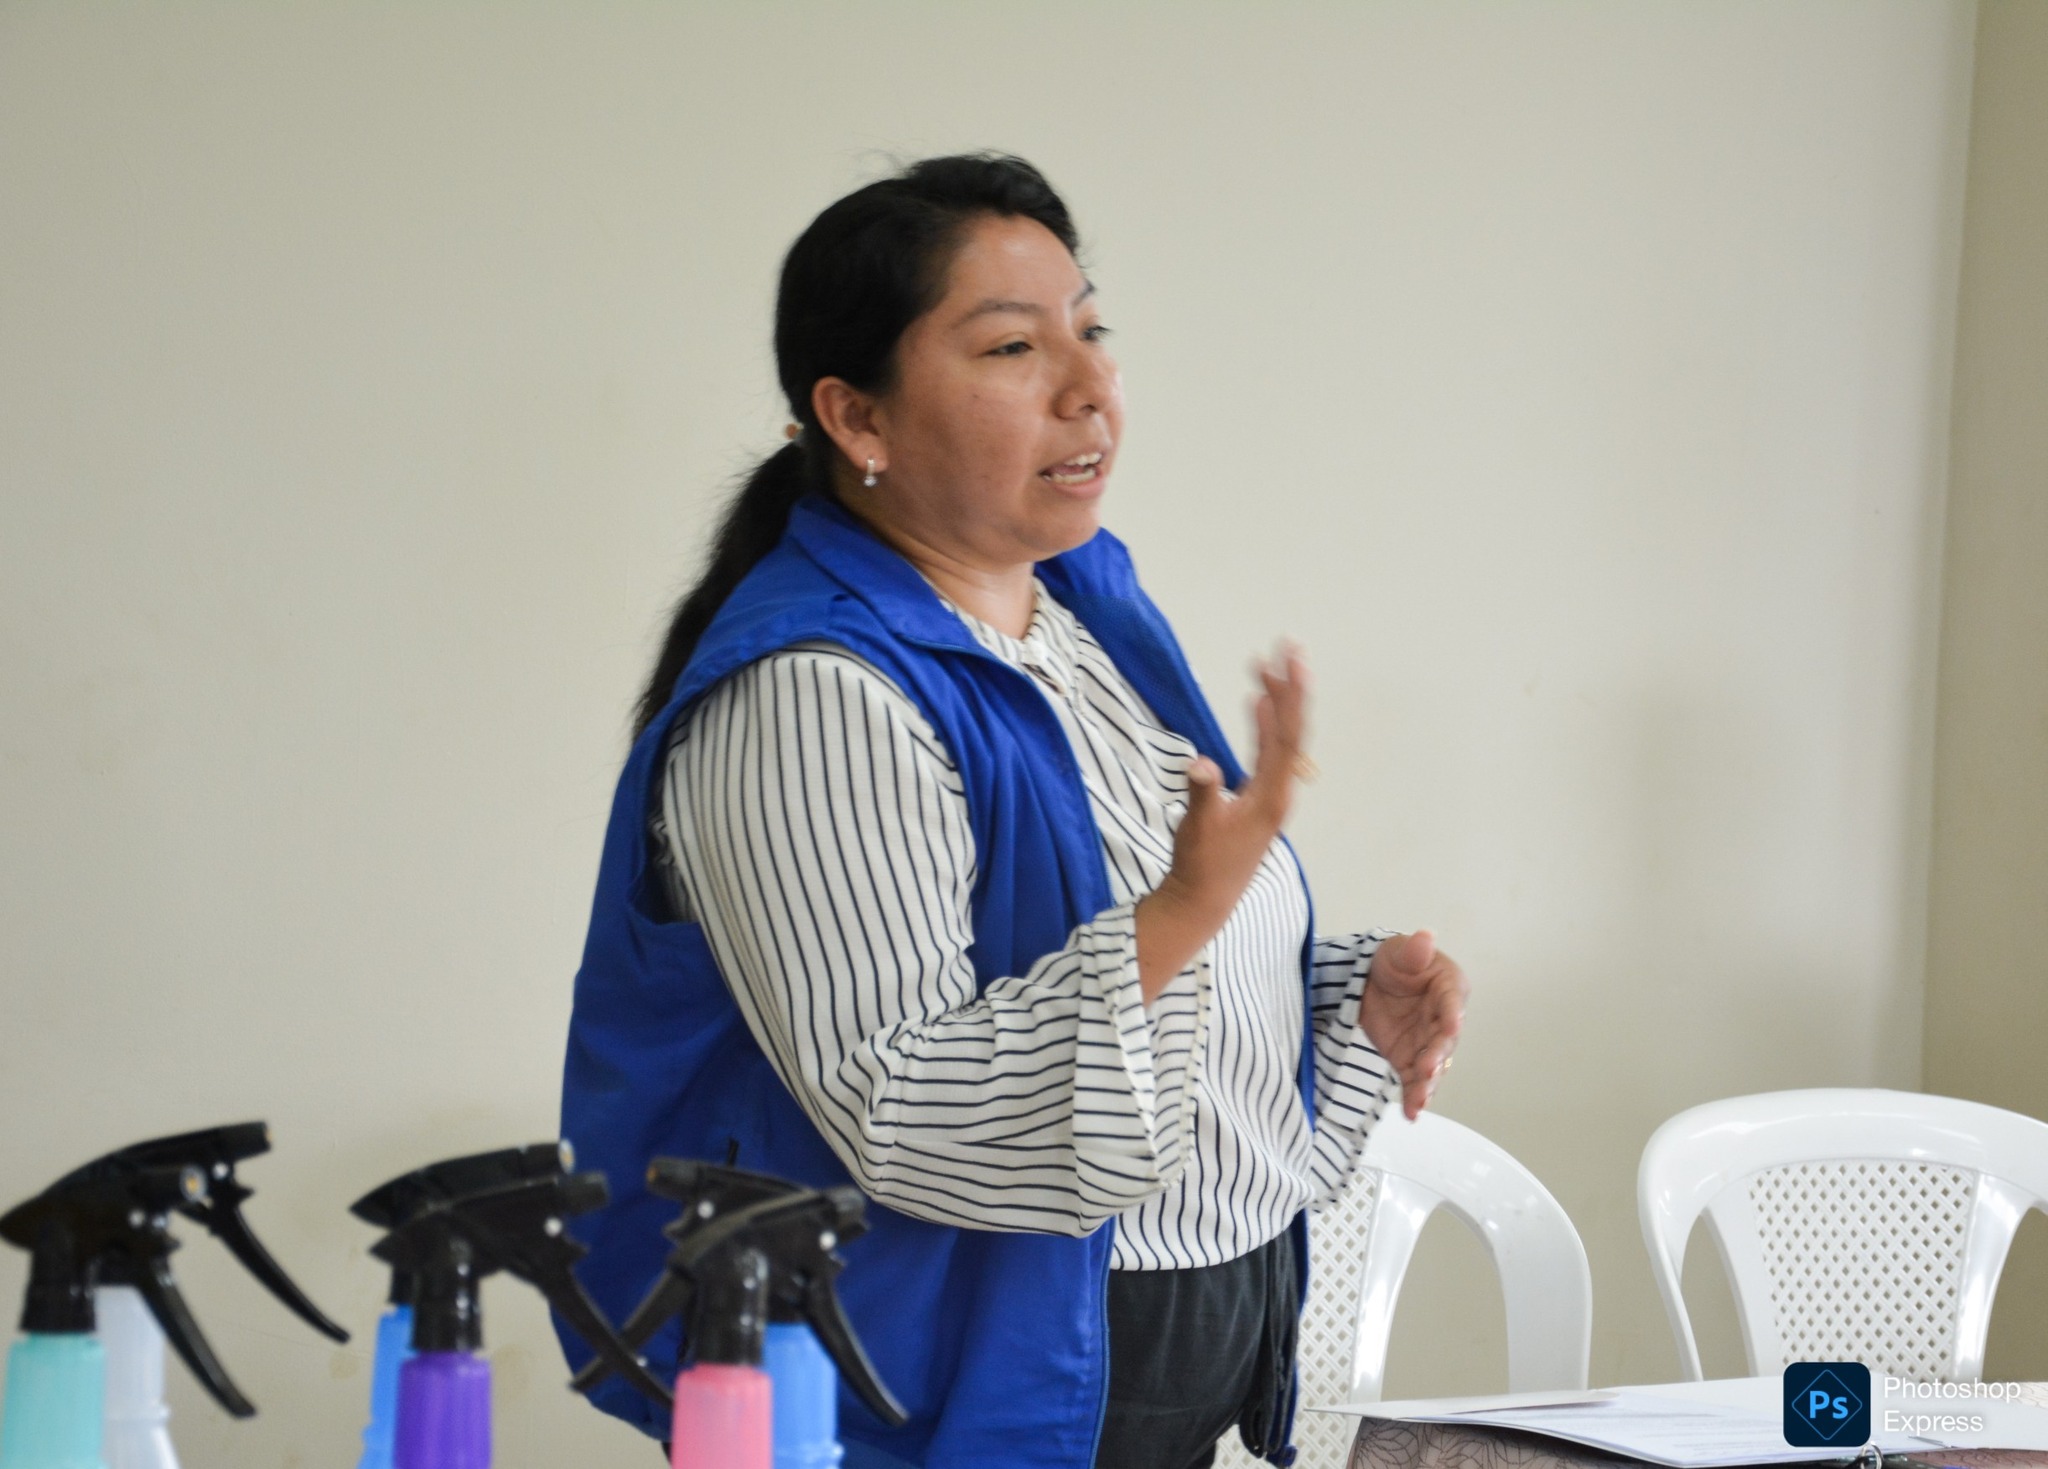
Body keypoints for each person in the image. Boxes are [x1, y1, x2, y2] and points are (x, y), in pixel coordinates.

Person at [559, 153, 1468, 1469]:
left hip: (1156, 1363)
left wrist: (1343, 1003)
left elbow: (1113, 963)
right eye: (1012, 346)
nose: (1089, 384)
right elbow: (904, 1101)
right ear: (857, 418)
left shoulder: (1081, 614)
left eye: (1091, 329)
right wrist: (1187, 906)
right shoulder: (816, 695)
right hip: (952, 1387)